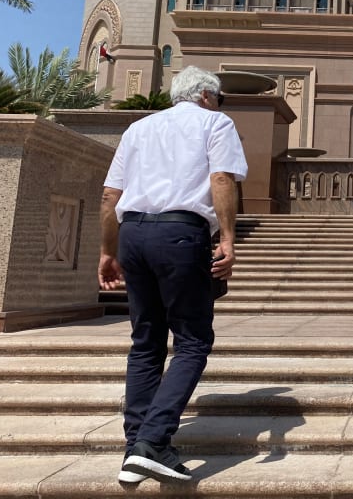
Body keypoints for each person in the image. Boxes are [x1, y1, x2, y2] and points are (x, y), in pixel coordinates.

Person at [98, 66, 248, 485]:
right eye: (218, 97)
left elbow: (111, 195)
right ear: (205, 96)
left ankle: (137, 448)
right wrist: (229, 239)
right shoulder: (215, 122)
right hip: (180, 233)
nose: (219, 104)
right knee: (193, 340)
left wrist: (109, 250)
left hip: (133, 234)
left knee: (145, 342)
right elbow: (221, 178)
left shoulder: (139, 129)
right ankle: (152, 440)